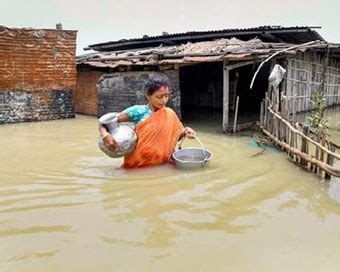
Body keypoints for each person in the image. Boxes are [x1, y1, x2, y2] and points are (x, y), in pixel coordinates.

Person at [99, 74, 196, 168]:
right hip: (137, 166)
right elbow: (104, 123)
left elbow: (176, 136)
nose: (164, 100)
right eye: (159, 96)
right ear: (148, 95)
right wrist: (105, 136)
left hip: (163, 165)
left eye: (166, 96)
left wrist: (186, 131)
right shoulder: (138, 111)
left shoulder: (170, 113)